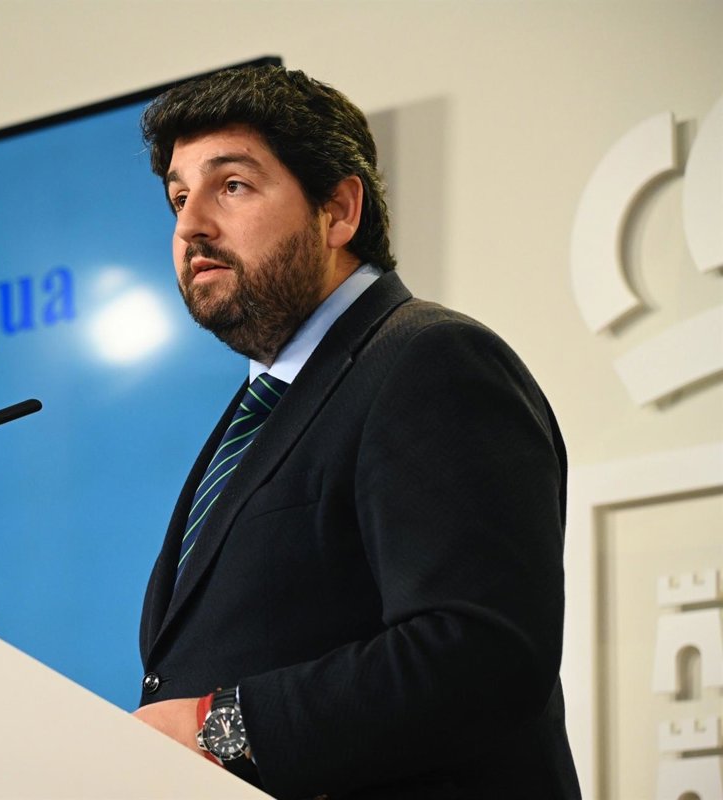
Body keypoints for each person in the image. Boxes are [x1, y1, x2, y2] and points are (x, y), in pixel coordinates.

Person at [131, 65, 581, 799]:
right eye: (179, 197)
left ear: (338, 210)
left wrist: (221, 729)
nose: (191, 225)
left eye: (231, 186)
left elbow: (483, 652)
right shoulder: (261, 408)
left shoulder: (430, 361)